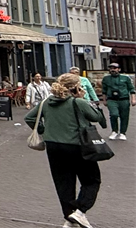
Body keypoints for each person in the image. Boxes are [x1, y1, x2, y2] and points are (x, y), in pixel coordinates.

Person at [25, 73, 106, 228]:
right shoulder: (78, 102)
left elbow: (29, 118)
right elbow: (97, 117)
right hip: (76, 145)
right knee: (91, 180)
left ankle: (69, 218)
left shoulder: (46, 102)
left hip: (53, 147)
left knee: (63, 184)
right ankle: (80, 211)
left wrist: (44, 131)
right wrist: (84, 99)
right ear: (75, 87)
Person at [100, 62, 134, 141]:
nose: (113, 70)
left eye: (115, 68)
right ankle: (114, 131)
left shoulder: (125, 78)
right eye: (111, 68)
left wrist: (133, 99)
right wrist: (104, 100)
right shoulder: (106, 79)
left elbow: (131, 89)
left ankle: (122, 133)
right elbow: (104, 90)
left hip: (123, 99)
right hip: (112, 99)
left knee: (124, 116)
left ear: (119, 69)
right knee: (114, 114)